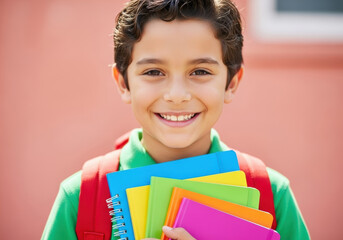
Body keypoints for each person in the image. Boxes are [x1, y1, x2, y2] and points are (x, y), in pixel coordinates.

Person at [42, 0, 310, 239]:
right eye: (154, 71)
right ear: (123, 83)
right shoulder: (81, 197)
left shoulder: (271, 194)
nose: (177, 95)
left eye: (201, 71)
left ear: (231, 83)